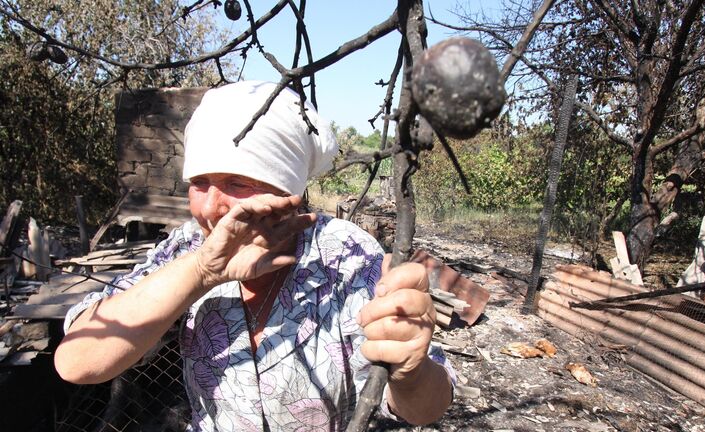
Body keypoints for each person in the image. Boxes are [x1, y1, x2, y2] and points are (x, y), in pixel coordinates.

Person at [54, 81, 454, 431]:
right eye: (199, 183)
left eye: (237, 182)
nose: (211, 208)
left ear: (287, 188)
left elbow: (426, 408)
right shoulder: (187, 249)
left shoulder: (345, 257)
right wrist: (201, 273)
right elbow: (79, 361)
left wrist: (411, 370)